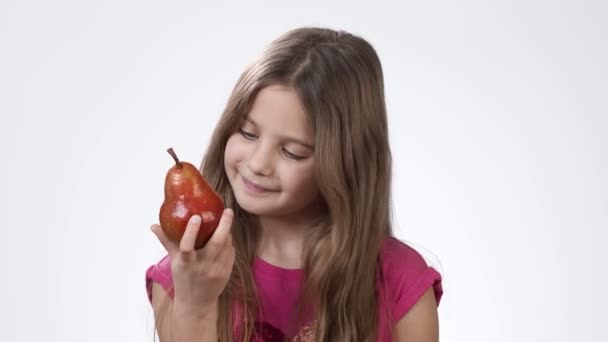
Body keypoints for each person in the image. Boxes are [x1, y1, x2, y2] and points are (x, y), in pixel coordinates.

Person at [145, 27, 443, 342]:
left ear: (345, 164)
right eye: (247, 133)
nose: (258, 164)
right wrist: (196, 308)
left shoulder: (401, 282)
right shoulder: (184, 277)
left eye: (292, 152)